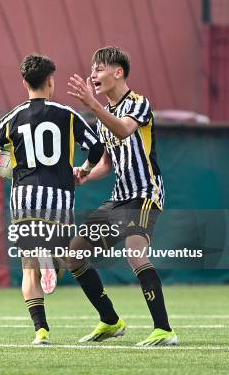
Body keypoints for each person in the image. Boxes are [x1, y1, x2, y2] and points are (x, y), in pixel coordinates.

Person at [0, 54, 103, 345]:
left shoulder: (13, 116)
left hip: (24, 197)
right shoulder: (67, 114)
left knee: (29, 270)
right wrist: (85, 170)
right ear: (51, 81)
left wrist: (0, 165)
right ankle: (49, 259)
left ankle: (41, 331)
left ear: (24, 82)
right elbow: (97, 147)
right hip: (59, 197)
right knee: (64, 260)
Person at [67, 46, 178, 346]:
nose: (93, 74)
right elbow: (108, 161)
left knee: (134, 249)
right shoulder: (104, 115)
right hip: (119, 198)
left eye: (99, 68)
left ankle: (164, 330)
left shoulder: (138, 103)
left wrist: (92, 105)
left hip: (144, 193)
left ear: (118, 72)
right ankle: (110, 321)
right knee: (74, 255)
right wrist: (85, 173)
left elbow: (125, 131)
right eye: (92, 69)